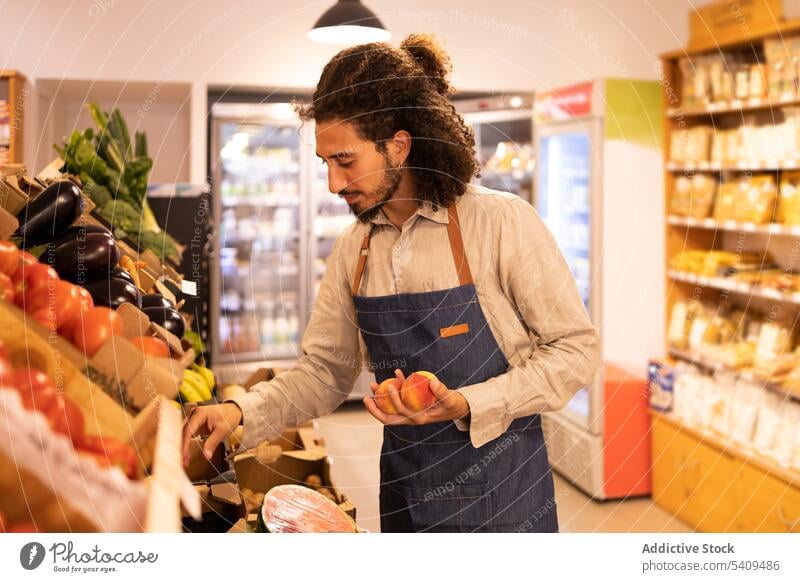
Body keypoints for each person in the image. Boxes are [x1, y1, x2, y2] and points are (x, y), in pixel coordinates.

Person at [183, 33, 601, 533]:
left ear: (399, 146)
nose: (334, 184)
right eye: (326, 164)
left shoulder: (499, 223)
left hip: (504, 501)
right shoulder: (354, 248)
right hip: (404, 494)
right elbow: (325, 372)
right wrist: (239, 410)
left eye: (346, 161)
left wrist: (471, 402)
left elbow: (576, 350)